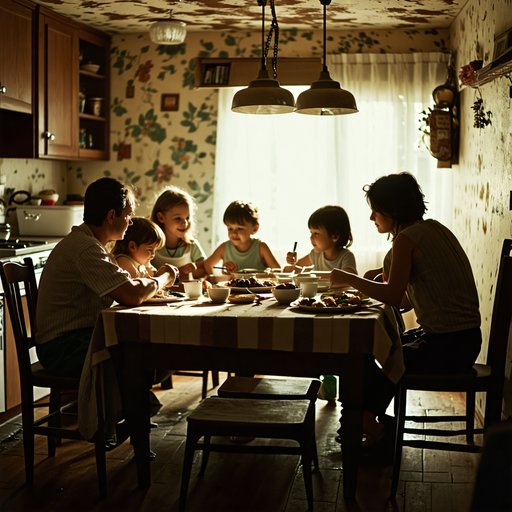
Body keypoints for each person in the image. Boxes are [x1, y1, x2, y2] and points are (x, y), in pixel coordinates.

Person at [329, 172, 481, 443]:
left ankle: (368, 423)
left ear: (392, 210)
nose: (372, 218)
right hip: (467, 342)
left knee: (383, 354)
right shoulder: (435, 229)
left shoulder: (406, 239)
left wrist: (351, 279)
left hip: (448, 347)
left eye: (375, 211)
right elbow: (408, 300)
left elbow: (393, 298)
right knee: (385, 347)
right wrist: (388, 274)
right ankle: (363, 419)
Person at [36, 177, 178, 379]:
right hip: (62, 349)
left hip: (72, 340)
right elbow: (131, 294)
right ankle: (132, 406)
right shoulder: (86, 249)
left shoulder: (89, 243)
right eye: (128, 215)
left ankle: (130, 404)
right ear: (112, 216)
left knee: (145, 345)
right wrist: (165, 276)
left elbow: (126, 286)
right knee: (145, 350)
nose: (130, 222)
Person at [204, 200, 280, 274]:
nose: (234, 233)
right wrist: (221, 274)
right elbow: (208, 264)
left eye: (239, 228)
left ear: (254, 229)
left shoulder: (261, 247)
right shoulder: (224, 248)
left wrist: (268, 273)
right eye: (230, 228)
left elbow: (277, 270)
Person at [150, 186, 207, 282]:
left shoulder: (191, 245)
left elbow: (204, 270)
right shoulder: (150, 245)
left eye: (187, 218)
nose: (185, 223)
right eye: (178, 218)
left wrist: (193, 270)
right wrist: (176, 272)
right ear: (161, 217)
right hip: (157, 295)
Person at [283, 205, 357, 274]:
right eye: (311, 232)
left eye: (316, 233)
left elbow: (347, 278)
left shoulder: (346, 256)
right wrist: (293, 262)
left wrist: (313, 275)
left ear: (335, 236)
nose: (311, 238)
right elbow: (291, 269)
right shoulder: (315, 255)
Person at [112, 216, 166, 280]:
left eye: (154, 250)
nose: (153, 255)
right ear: (132, 246)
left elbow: (153, 276)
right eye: (150, 249)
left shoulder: (141, 262)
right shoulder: (123, 261)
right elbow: (136, 286)